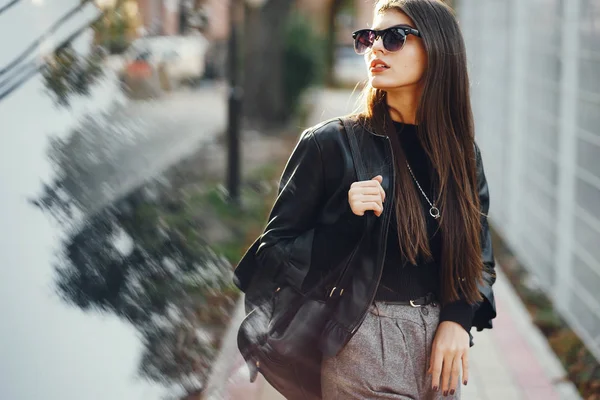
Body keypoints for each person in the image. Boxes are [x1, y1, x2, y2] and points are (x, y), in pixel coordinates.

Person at [235, 0, 497, 399]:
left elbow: (480, 257)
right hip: (361, 344)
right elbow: (270, 259)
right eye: (368, 38)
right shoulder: (330, 145)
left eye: (393, 38)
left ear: (439, 49)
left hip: (441, 356)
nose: (375, 48)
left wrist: (457, 320)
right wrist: (344, 221)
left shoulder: (461, 155)